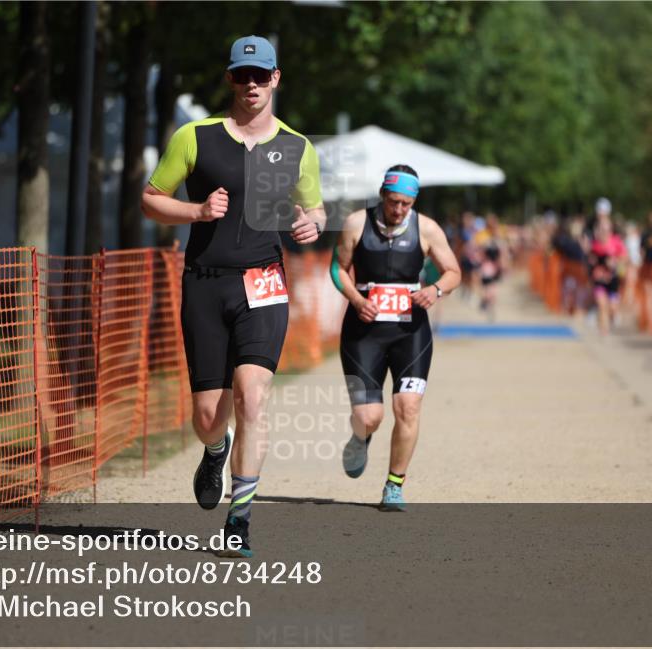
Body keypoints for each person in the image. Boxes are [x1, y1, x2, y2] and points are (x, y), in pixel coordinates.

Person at [141, 35, 325, 557]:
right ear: (230, 79)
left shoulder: (297, 147)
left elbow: (314, 209)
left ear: (275, 78)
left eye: (260, 75)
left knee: (253, 398)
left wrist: (311, 224)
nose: (252, 85)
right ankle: (214, 451)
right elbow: (151, 200)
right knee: (207, 417)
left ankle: (239, 520)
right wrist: (197, 212)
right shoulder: (194, 138)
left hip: (263, 281)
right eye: (242, 76)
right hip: (204, 281)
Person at [333, 166, 461, 511]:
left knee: (408, 406)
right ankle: (361, 437)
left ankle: (394, 485)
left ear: (414, 201)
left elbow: (453, 272)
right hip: (364, 332)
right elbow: (337, 268)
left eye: (406, 203)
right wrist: (357, 300)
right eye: (393, 202)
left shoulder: (427, 228)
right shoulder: (356, 224)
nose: (399, 210)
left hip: (411, 332)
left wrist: (434, 290)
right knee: (369, 416)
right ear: (382, 195)